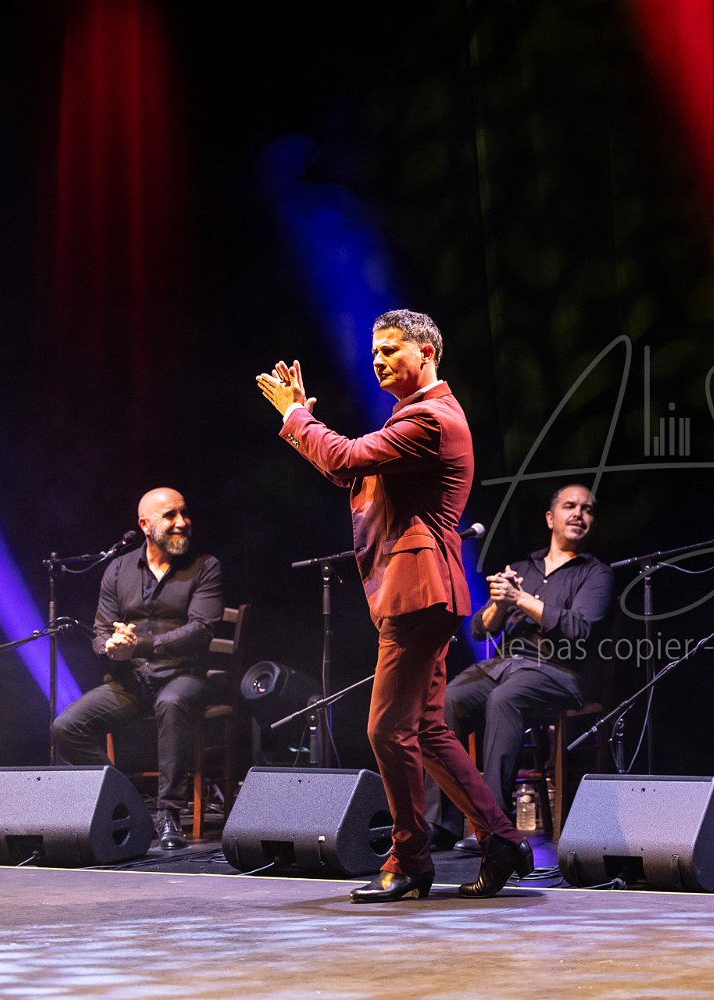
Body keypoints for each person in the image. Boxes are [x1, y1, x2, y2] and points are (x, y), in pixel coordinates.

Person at [255, 308, 532, 902]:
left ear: (426, 352)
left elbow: (346, 458)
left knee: (386, 729)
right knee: (425, 729)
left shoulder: (431, 418)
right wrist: (305, 422)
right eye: (374, 352)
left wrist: (295, 415)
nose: (377, 360)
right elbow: (350, 471)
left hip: (418, 590)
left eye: (389, 349)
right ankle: (502, 839)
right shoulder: (414, 417)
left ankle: (410, 857)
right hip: (418, 589)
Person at [436, 483, 614, 851]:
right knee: (446, 701)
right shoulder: (521, 568)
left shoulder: (596, 574)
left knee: (506, 698)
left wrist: (521, 599)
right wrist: (500, 604)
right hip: (505, 664)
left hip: (560, 671)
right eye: (570, 506)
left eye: (587, 509)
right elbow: (480, 628)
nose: (579, 514)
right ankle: (441, 824)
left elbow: (579, 628)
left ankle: (494, 826)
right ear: (550, 518)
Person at [52, 487, 224, 852]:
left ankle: (169, 814)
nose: (182, 522)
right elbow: (101, 631)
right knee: (66, 727)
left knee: (171, 703)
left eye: (184, 513)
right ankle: (125, 803)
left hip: (184, 676)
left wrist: (140, 645)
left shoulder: (205, 566)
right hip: (133, 681)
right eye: (170, 516)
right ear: (145, 525)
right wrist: (110, 646)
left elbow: (201, 630)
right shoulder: (118, 569)